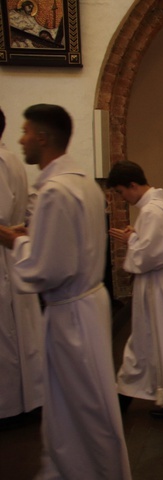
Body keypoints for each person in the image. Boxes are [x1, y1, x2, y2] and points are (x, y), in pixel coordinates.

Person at [0, 104, 134, 480]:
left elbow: (46, 269)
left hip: (71, 312)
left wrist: (16, 241)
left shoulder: (57, 190)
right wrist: (34, 234)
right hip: (84, 305)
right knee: (70, 407)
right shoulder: (81, 184)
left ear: (42, 137)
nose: (20, 140)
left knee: (82, 408)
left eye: (25, 132)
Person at [107, 160, 163, 418]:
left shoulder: (153, 211)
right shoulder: (153, 209)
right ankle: (161, 395)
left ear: (133, 185)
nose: (123, 198)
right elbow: (155, 245)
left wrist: (131, 239)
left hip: (157, 283)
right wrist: (136, 236)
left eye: (122, 192)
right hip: (154, 283)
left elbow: (152, 254)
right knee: (147, 340)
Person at [0, 106, 44, 431]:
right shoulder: (11, 159)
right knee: (19, 329)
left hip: (6, 247)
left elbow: (2, 216)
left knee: (8, 334)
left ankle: (9, 403)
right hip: (13, 248)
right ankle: (26, 397)